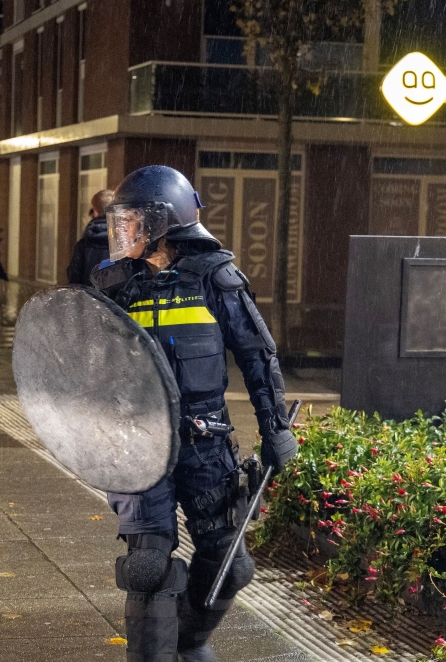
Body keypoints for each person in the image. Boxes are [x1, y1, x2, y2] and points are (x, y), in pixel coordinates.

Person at [92, 166, 297, 662]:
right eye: (121, 221)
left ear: (166, 222)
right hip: (141, 446)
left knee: (229, 561)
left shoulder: (215, 278)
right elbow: (85, 364)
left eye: (133, 220)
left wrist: (277, 432)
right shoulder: (114, 284)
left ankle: (188, 640)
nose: (123, 231)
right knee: (147, 568)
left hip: (206, 444)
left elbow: (257, 355)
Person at [66, 189, 113, 285]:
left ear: (95, 212)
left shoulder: (83, 246)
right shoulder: (127, 243)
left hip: (89, 298)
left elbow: (74, 280)